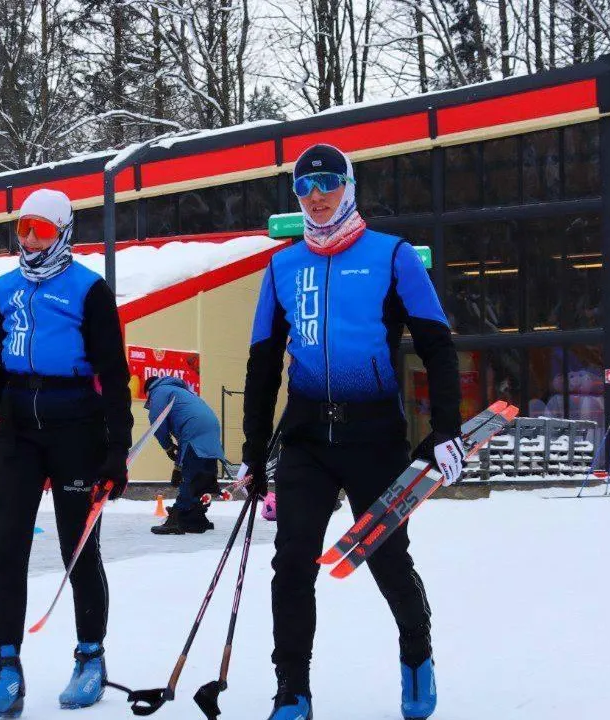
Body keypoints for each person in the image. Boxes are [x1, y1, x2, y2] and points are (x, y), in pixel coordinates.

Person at [240, 144, 462, 720]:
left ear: (350, 186)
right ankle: (292, 690)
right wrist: (251, 448)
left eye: (328, 184)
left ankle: (417, 653)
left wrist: (446, 430)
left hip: (373, 436)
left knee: (387, 558)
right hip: (307, 437)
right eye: (304, 188)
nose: (316, 197)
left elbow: (437, 347)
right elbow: (263, 362)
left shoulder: (393, 257)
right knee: (291, 562)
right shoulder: (282, 266)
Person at [0, 188, 133, 716]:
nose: (31, 240)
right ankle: (6, 670)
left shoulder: (89, 289)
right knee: (6, 552)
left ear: (62, 231)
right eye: (23, 229)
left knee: (78, 550)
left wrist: (116, 449)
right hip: (17, 429)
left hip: (75, 430)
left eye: (41, 229)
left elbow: (114, 373)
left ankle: (91, 658)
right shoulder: (3, 289)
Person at [145, 375, 225, 535]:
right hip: (212, 428)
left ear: (148, 390)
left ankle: (178, 518)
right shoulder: (184, 393)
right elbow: (185, 441)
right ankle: (196, 518)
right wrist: (177, 466)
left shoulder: (159, 390)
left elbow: (157, 421)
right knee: (203, 476)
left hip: (194, 430)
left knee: (189, 476)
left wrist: (167, 447)